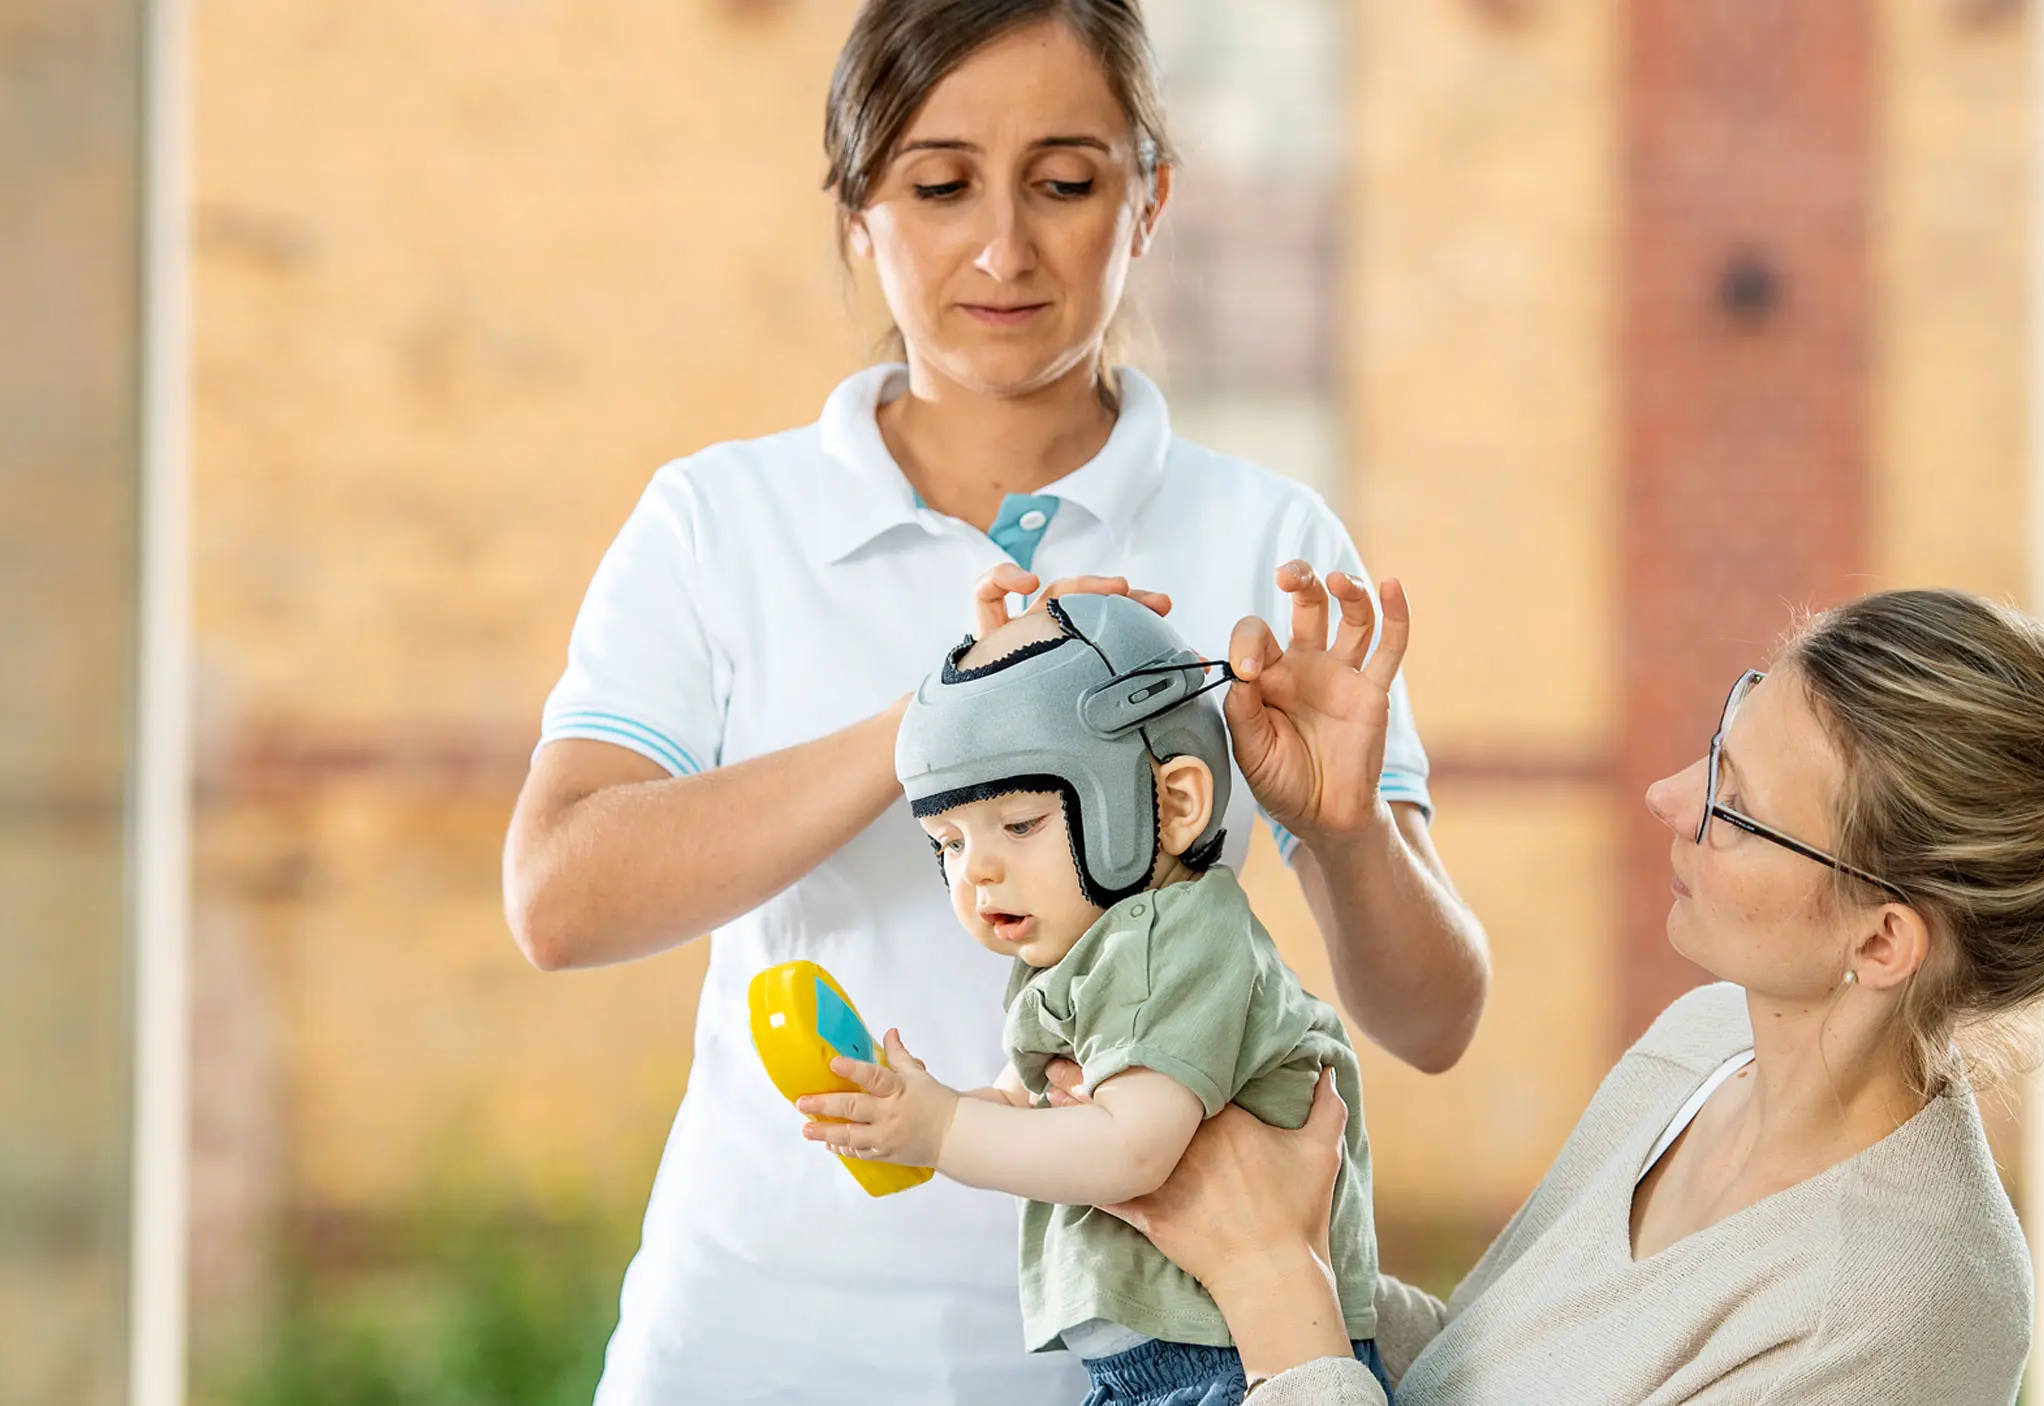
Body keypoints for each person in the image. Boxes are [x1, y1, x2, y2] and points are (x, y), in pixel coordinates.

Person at [498, 2, 1486, 1400]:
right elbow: (559, 895)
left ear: (1151, 199)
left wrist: (1341, 830)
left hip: (1145, 1363)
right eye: (940, 182)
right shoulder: (721, 521)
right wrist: (942, 725)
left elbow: (1437, 1019)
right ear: (856, 211)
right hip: (754, 1349)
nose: (1004, 248)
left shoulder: (1265, 539)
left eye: (1067, 182)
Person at [1064, 589, 2044, 1404]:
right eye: (1722, 732)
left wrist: (1280, 1290)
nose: (1670, 795)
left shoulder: (1900, 1307)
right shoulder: (1709, 1045)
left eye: (1734, 800)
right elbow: (1489, 1373)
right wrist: (1281, 1237)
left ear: (1882, 940)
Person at [796, 594, 1389, 1405]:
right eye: (952, 843)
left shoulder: (1176, 937)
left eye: (1022, 822)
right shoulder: (1088, 950)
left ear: (1176, 803)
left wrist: (941, 1129)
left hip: (1230, 1363)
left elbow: (1130, 1152)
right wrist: (918, 1112)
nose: (977, 871)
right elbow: (1039, 1111)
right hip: (1167, 1364)